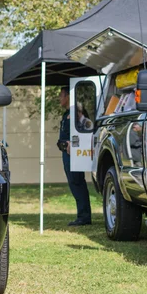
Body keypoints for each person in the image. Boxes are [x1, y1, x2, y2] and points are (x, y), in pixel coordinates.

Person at [58, 87, 92, 226]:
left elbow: (87, 127)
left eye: (61, 95)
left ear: (68, 96)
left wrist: (73, 143)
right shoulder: (67, 114)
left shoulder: (77, 114)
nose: (59, 98)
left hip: (74, 154)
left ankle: (84, 217)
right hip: (66, 154)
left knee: (77, 182)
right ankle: (82, 215)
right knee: (74, 183)